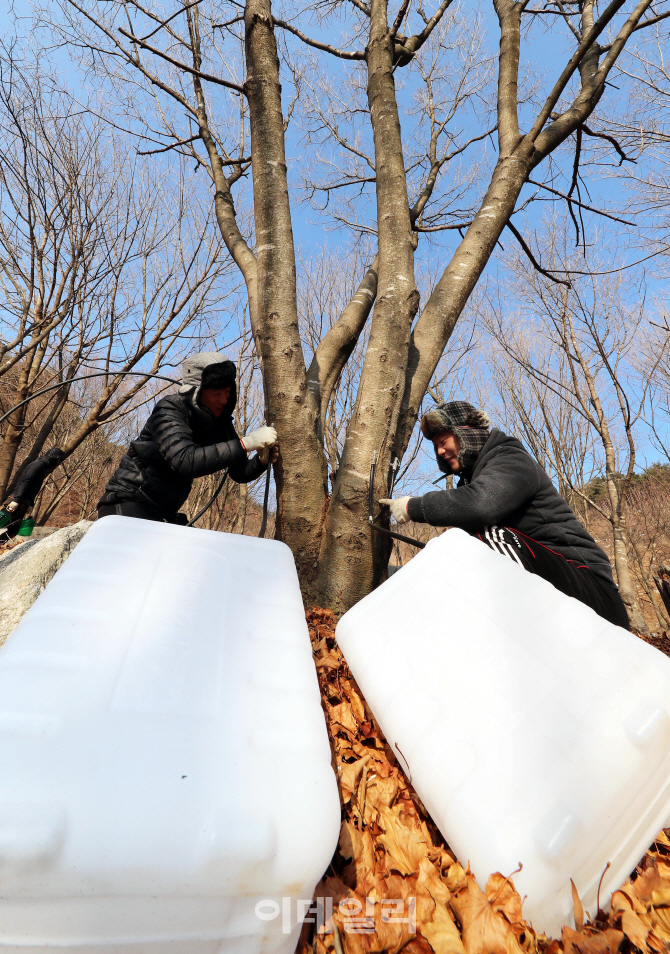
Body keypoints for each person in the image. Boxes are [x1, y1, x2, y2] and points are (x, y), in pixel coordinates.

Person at [380, 400, 629, 629]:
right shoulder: (475, 479)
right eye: (435, 447)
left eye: (443, 441)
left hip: (593, 592)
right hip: (558, 587)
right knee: (459, 547)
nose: (439, 452)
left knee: (484, 534)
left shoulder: (511, 459)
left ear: (467, 431)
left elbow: (480, 506)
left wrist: (414, 507)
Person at [97, 352, 278, 524]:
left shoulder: (219, 420)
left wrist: (260, 461)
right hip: (126, 502)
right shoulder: (168, 410)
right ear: (195, 392)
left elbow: (238, 472)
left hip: (162, 513)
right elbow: (185, 460)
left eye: (227, 393)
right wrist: (247, 443)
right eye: (216, 394)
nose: (223, 400)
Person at [0, 446, 66, 541]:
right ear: (54, 457)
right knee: (2, 521)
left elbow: (33, 488)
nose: (59, 463)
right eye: (60, 460)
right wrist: (16, 500)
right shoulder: (37, 465)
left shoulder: (42, 467)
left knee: (13, 531)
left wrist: (31, 504)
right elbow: (25, 482)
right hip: (16, 501)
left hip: (23, 503)